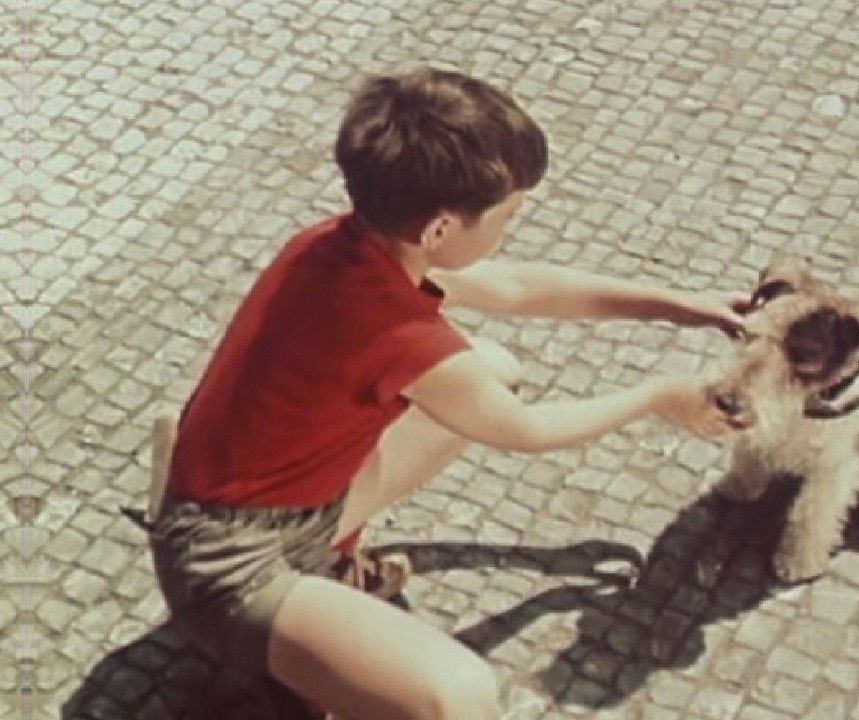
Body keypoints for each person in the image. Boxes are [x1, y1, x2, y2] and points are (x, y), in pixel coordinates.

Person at [146, 67, 745, 720]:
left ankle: (327, 608)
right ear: (438, 230)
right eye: (509, 214)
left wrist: (675, 305)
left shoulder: (341, 244)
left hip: (271, 503)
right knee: (458, 698)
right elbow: (526, 430)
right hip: (230, 567)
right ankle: (298, 647)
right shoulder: (398, 334)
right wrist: (660, 395)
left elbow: (514, 287)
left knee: (491, 366)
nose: (513, 227)